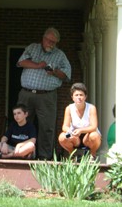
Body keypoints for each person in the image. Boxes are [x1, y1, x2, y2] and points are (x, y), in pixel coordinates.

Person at [17, 27, 72, 160]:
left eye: (54, 42)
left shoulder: (60, 55)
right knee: (21, 122)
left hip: (47, 95)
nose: (51, 44)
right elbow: (21, 62)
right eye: (49, 41)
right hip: (27, 93)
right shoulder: (32, 48)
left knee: (47, 126)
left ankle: (44, 157)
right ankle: (21, 153)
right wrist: (38, 65)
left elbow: (67, 75)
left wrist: (54, 71)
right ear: (44, 38)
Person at [58, 82, 101, 158]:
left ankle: (92, 155)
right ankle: (72, 155)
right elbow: (65, 126)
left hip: (88, 135)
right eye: (76, 95)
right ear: (72, 97)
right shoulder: (69, 108)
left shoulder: (91, 108)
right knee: (62, 137)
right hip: (74, 136)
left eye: (81, 95)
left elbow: (94, 126)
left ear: (85, 97)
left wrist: (81, 130)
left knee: (94, 135)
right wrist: (71, 132)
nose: (79, 97)